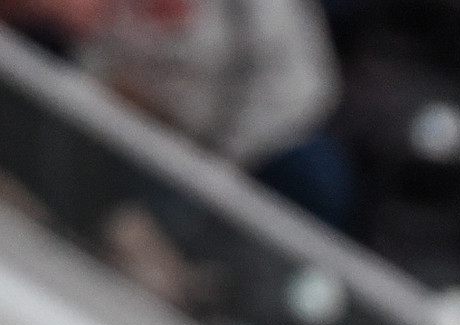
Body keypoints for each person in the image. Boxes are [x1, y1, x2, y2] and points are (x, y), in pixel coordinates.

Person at [78, 0, 352, 228]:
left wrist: (222, 159)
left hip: (276, 135)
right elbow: (97, 64)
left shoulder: (256, 13)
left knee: (312, 178)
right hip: (171, 136)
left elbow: (285, 87)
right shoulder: (117, 14)